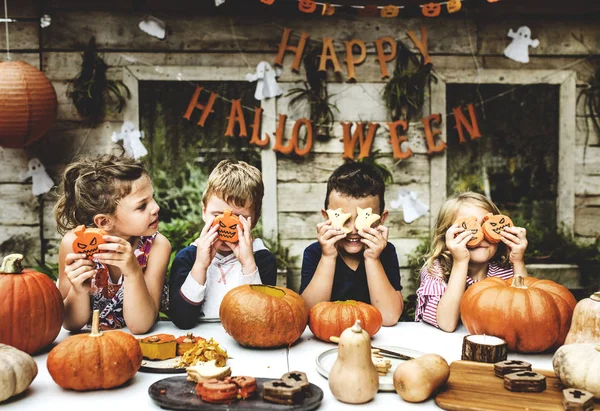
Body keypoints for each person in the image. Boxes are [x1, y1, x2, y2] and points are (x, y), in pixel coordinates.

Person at [55, 154, 171, 334]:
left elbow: (141, 325)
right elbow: (70, 324)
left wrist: (133, 272)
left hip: (138, 344)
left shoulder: (157, 246)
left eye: (152, 198)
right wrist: (78, 290)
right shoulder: (74, 246)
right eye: (142, 206)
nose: (156, 207)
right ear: (104, 222)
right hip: (87, 344)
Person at [169, 159, 277, 329]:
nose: (226, 226)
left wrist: (248, 266)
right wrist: (200, 266)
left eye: (237, 219)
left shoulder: (262, 259)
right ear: (204, 211)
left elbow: (259, 320)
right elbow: (181, 320)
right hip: (198, 341)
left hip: (246, 341)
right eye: (217, 215)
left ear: (255, 218)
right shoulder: (188, 258)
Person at [300, 162, 404, 326]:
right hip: (326, 338)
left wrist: (372, 259)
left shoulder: (385, 252)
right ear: (326, 217)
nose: (353, 229)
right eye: (344, 219)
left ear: (381, 219)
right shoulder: (315, 253)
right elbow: (308, 313)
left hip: (374, 339)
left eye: (363, 219)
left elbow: (389, 317)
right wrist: (328, 257)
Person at [415, 191, 529, 332]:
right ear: (447, 236)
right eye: (470, 227)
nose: (481, 236)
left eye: (487, 226)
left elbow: (528, 313)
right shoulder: (436, 271)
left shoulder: (505, 273)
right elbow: (447, 323)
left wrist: (518, 261)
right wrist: (460, 262)